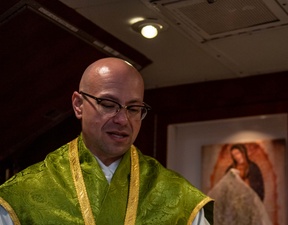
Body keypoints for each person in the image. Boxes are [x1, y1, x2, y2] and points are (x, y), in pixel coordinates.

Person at [0, 57, 214, 225]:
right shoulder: (20, 197)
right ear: (78, 104)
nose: (123, 119)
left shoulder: (179, 198)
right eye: (108, 104)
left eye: (134, 108)